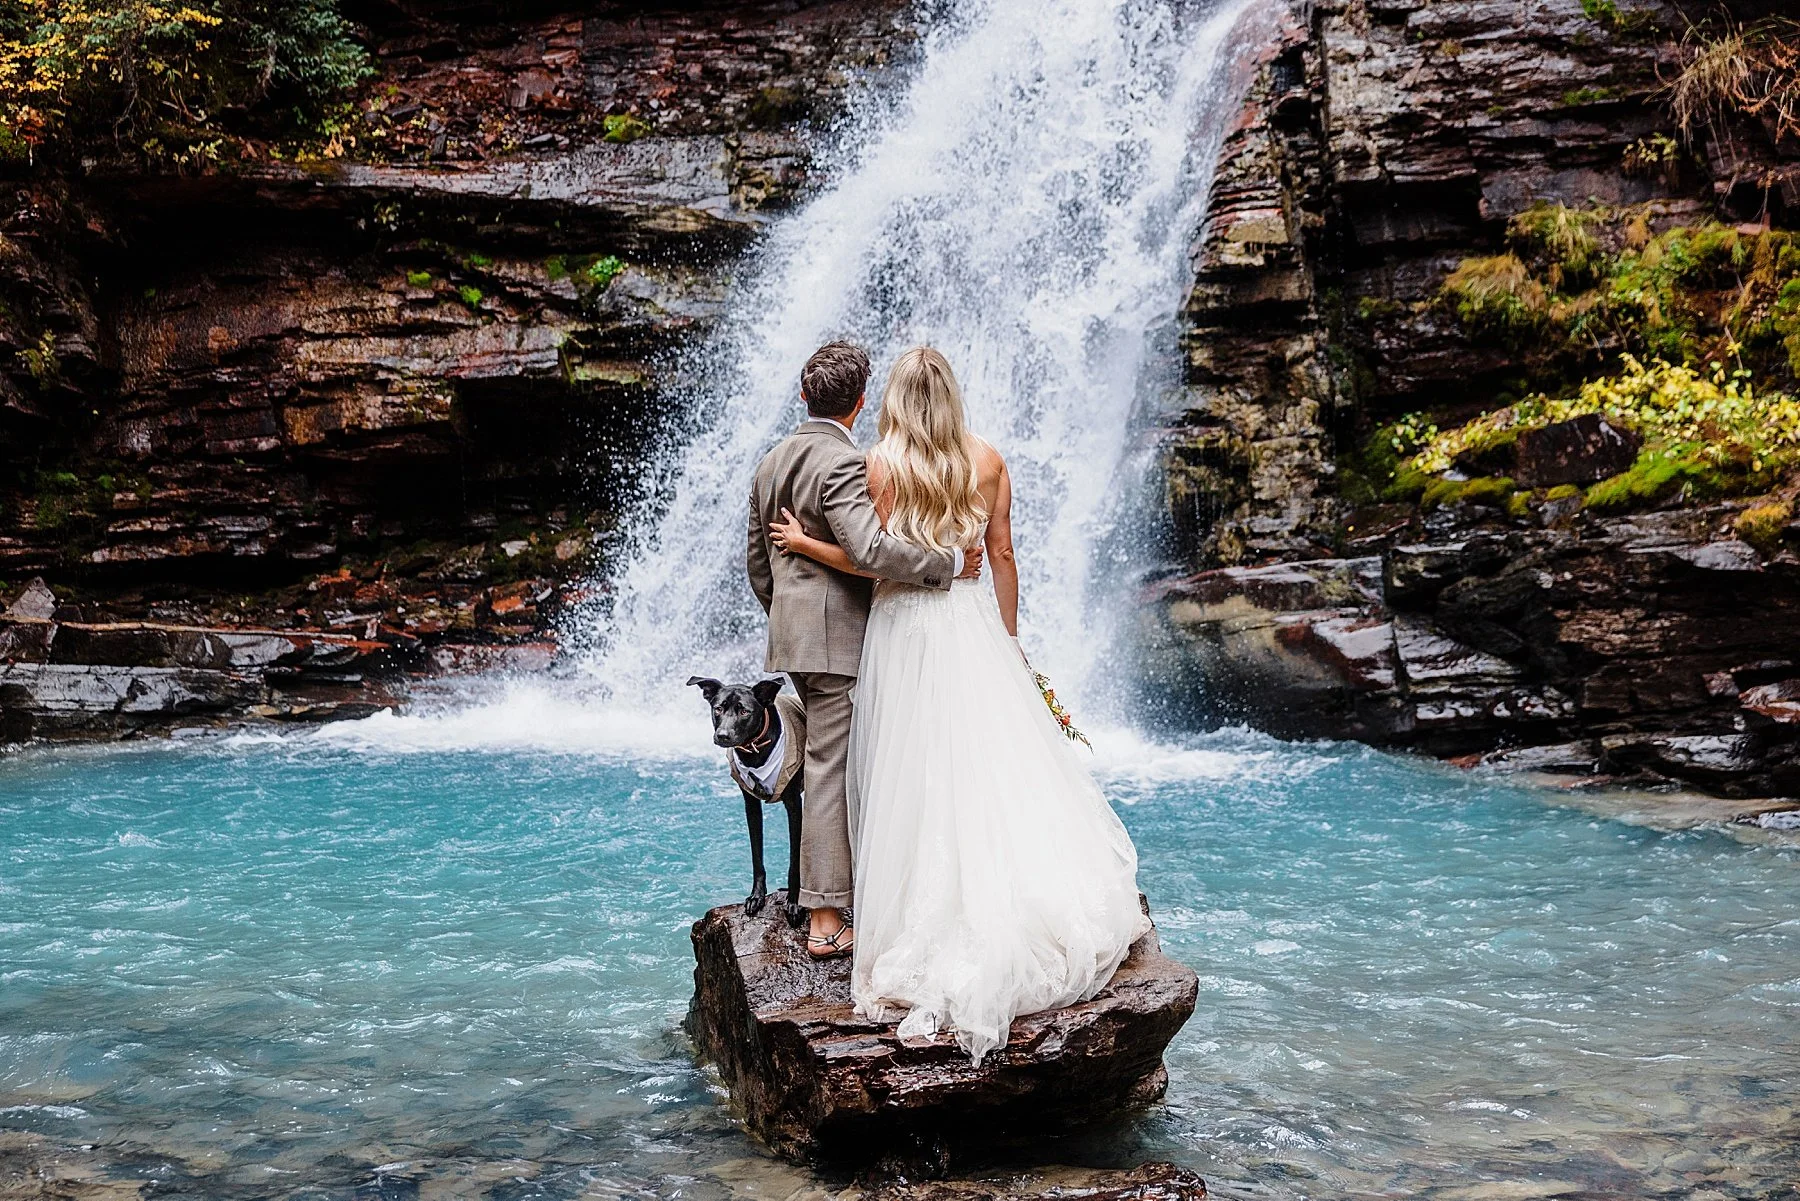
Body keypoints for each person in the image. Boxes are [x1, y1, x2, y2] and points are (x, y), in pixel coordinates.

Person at [767, 345, 1148, 1064]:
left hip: (902, 628)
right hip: (970, 622)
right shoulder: (988, 459)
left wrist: (810, 545)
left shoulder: (878, 464)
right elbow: (1002, 555)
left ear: (896, 401)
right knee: (990, 761)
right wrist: (1009, 640)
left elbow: (876, 557)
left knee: (909, 769)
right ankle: (1006, 891)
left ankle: (911, 910)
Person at [746, 341, 983, 960]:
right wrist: (950, 562)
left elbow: (757, 569)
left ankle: (842, 892)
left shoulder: (770, 461)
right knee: (830, 766)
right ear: (858, 402)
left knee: (837, 759)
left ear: (805, 395)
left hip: (795, 639)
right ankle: (825, 916)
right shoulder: (844, 462)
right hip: (837, 637)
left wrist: (787, 619)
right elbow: (872, 551)